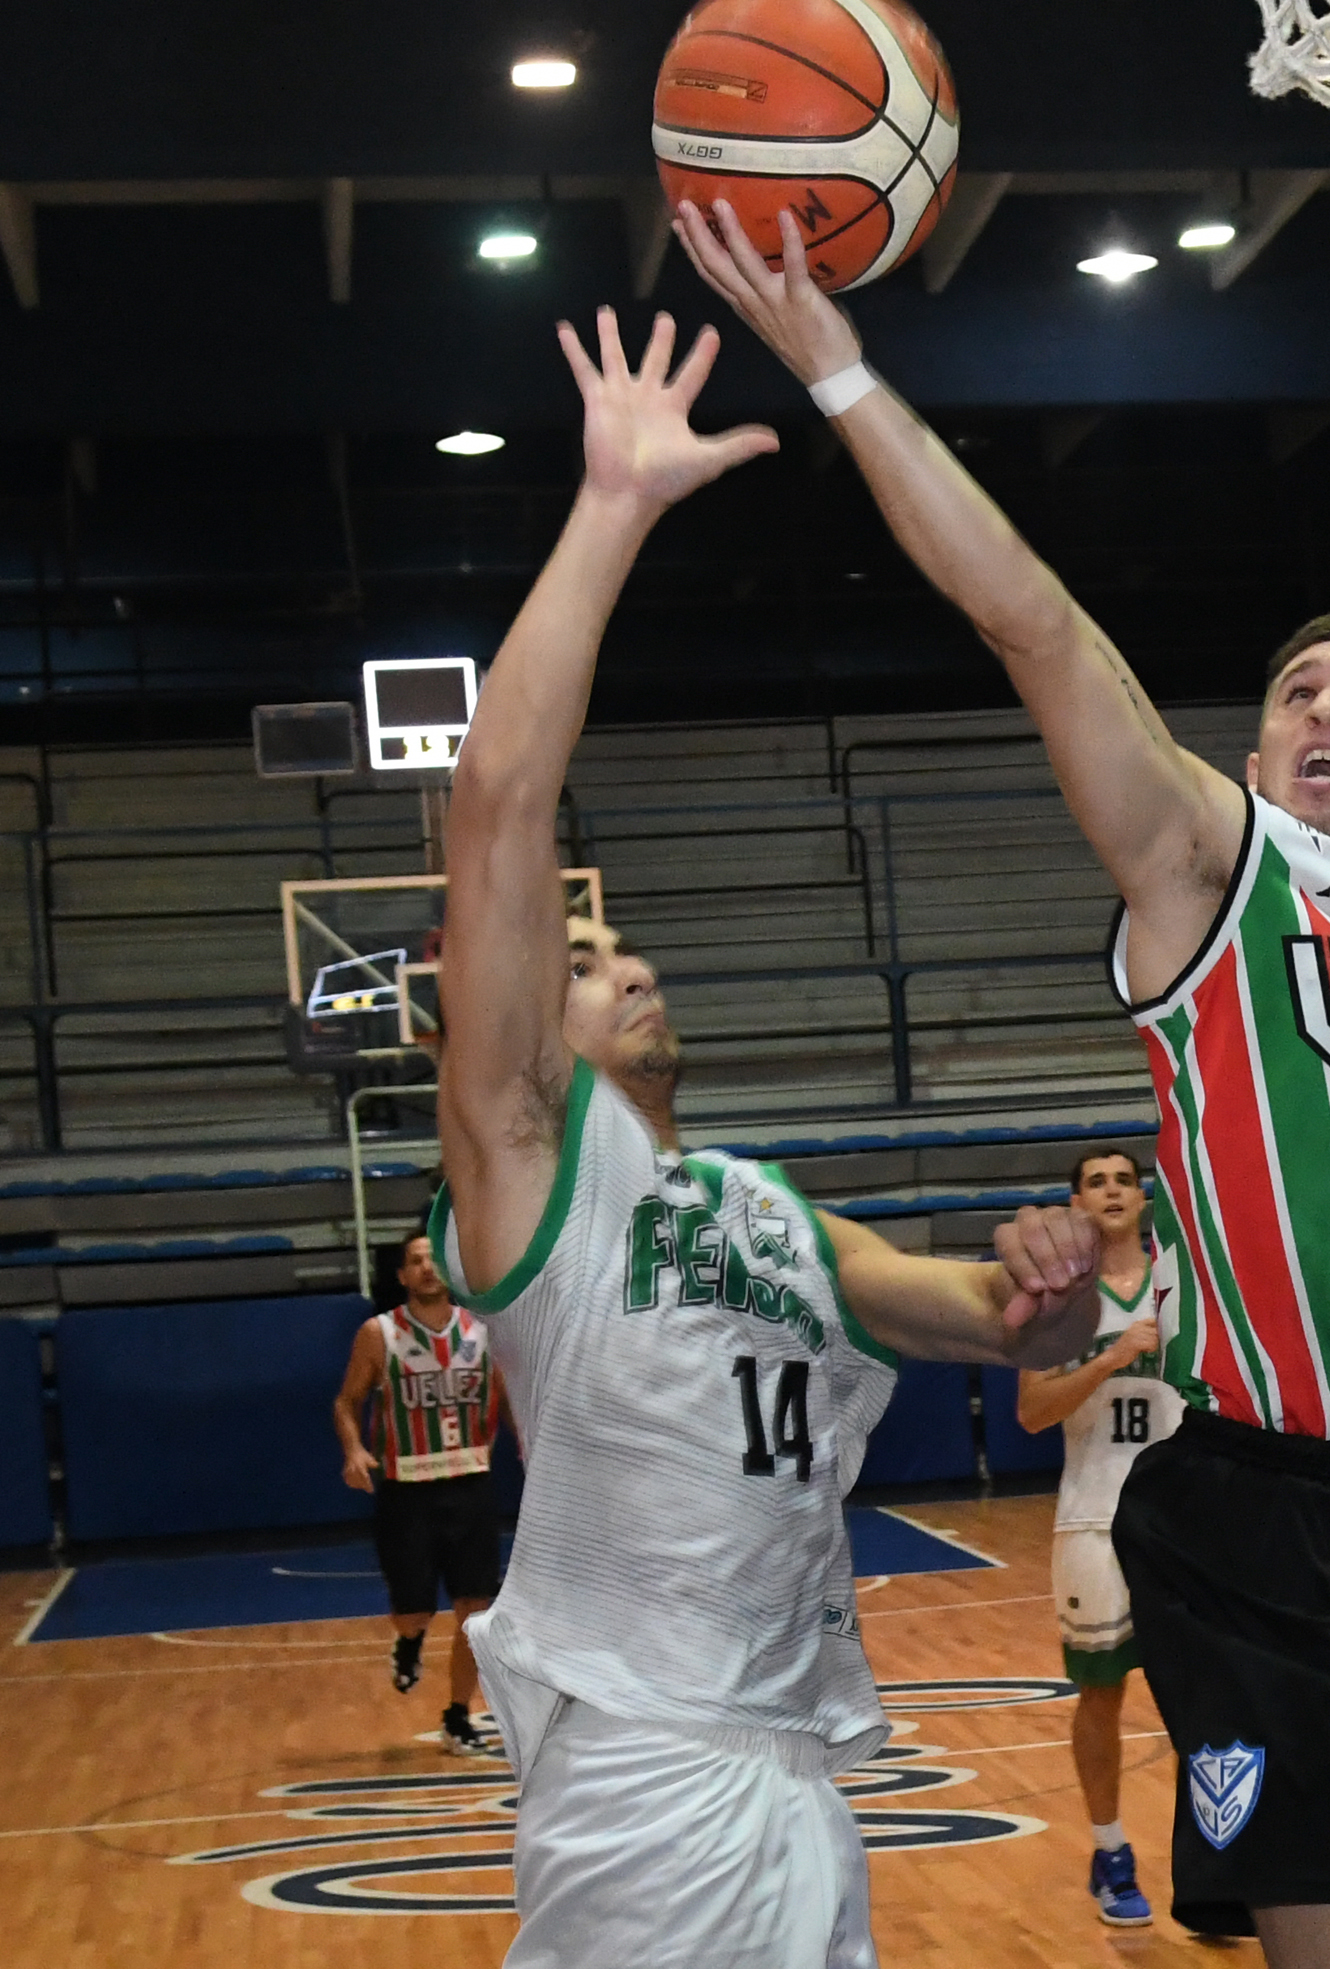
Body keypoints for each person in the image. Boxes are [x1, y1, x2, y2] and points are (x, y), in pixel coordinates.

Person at [680, 200, 1330, 1969]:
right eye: (1298, 688)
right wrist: (840, 368)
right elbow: (1034, 622)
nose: (1326, 705)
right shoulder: (1215, 870)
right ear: (1248, 757)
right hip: (1261, 1515)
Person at [428, 306, 1104, 1969]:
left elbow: (990, 1321)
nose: (619, 961)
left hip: (793, 1754)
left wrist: (1053, 1279)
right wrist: (611, 509)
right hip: (645, 1755)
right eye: (579, 961)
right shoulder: (533, 1177)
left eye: (624, 947)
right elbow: (502, 805)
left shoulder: (754, 1201)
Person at [1013, 1148, 1182, 1928]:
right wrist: (1114, 1356)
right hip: (1094, 1512)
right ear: (1078, 1202)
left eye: (1124, 1178)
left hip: (1189, 1513)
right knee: (1102, 1690)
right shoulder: (1060, 1297)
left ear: (1143, 1197)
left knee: (1210, 1693)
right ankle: (1111, 1850)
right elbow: (1032, 1411)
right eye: (1096, 1181)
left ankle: (1217, 1860)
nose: (1112, 1190)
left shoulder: (1187, 1277)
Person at [332, 1230, 514, 1754]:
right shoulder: (378, 1333)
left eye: (434, 1259)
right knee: (413, 1610)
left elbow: (507, 1401)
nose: (427, 1268)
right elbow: (346, 1402)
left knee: (475, 1615)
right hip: (406, 1490)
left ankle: (458, 1715)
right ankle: (410, 1640)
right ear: (402, 1276)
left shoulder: (484, 1330)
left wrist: (530, 1452)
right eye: (416, 1261)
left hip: (471, 1485)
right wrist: (352, 1450)